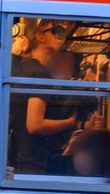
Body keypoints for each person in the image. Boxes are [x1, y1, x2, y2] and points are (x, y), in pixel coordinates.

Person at [9, 20, 80, 174]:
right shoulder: (40, 73)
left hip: (22, 158)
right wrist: (69, 123)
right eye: (54, 32)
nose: (59, 37)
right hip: (38, 162)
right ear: (40, 37)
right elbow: (35, 125)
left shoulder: (23, 68)